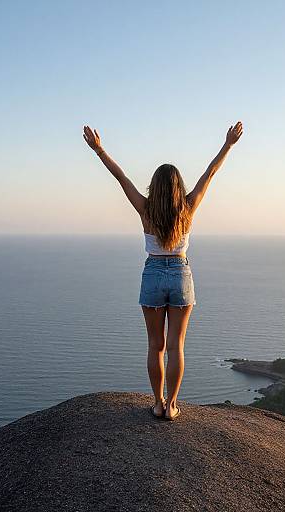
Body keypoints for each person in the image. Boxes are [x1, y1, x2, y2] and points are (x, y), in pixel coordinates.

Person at [82, 121, 243, 420]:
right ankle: (172, 405)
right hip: (181, 274)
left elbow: (121, 177)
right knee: (175, 346)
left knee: (155, 346)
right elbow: (210, 173)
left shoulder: (145, 210)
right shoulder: (189, 208)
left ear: (154, 187)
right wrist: (228, 145)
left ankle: (157, 402)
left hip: (153, 274)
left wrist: (99, 149)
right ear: (178, 187)